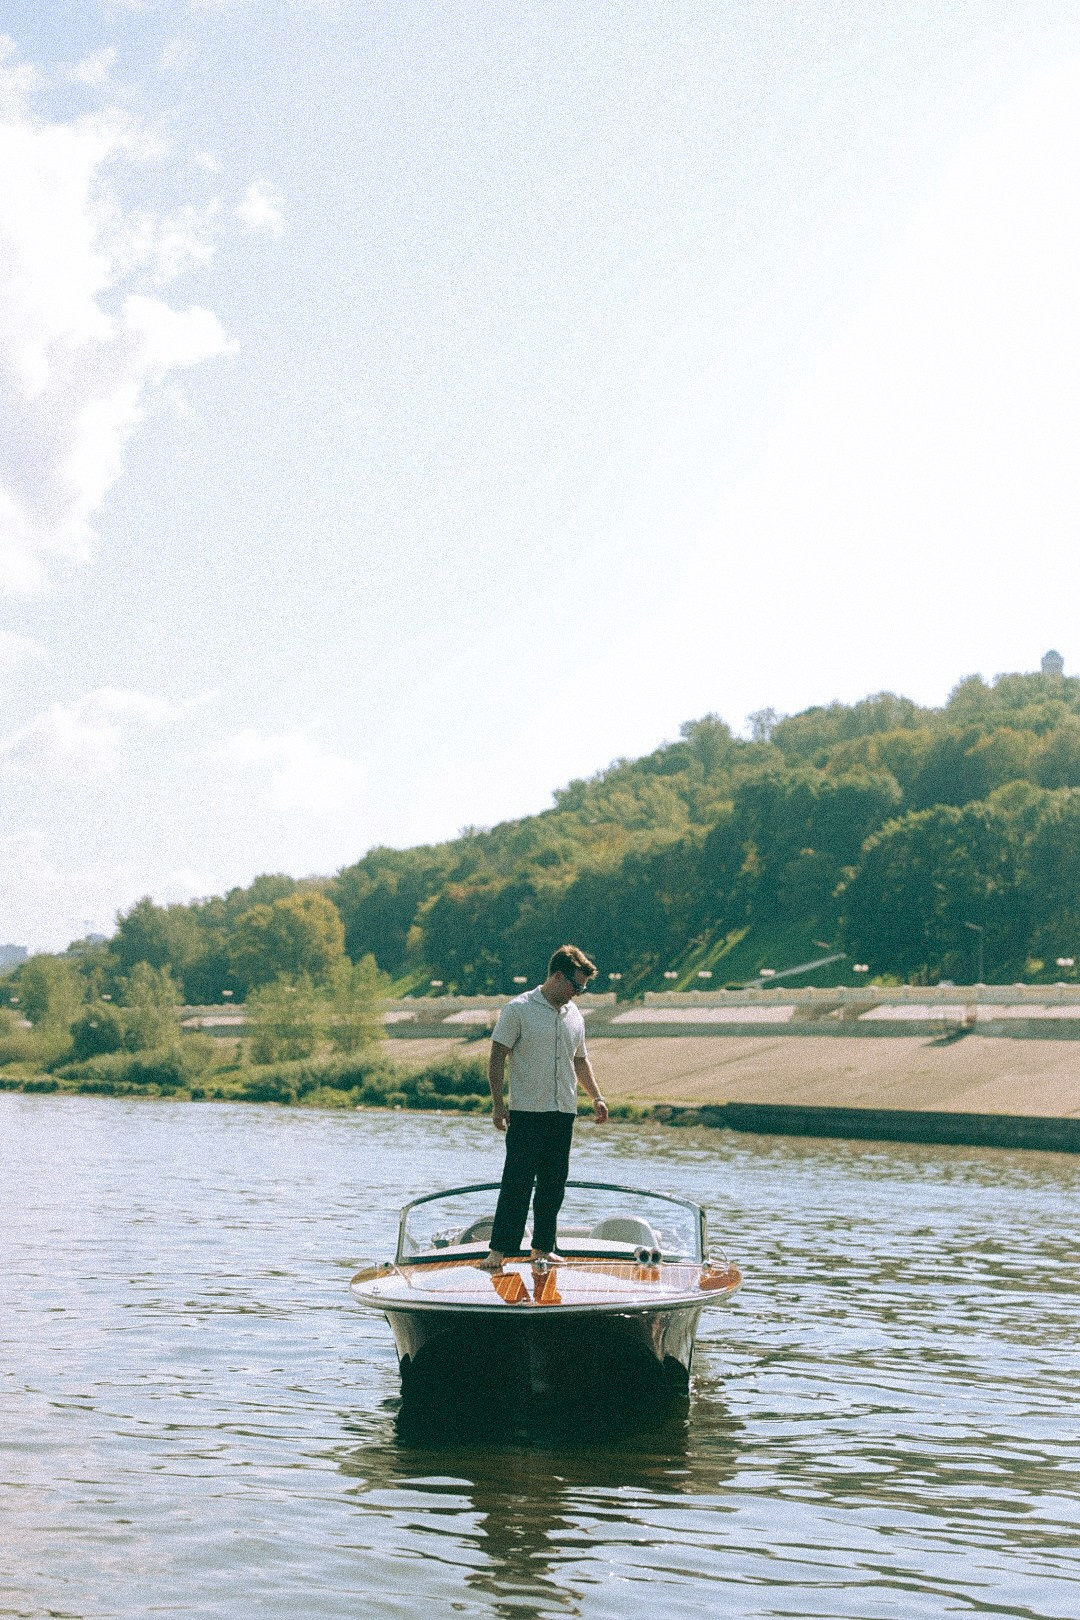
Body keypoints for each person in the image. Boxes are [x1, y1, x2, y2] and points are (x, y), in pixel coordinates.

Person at [480, 944, 608, 1271]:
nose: (578, 994)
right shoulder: (518, 1009)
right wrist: (498, 1105)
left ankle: (542, 1248)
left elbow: (580, 1061)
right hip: (527, 1112)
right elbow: (496, 1058)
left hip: (563, 1111)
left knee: (554, 1184)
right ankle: (499, 1252)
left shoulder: (575, 1015)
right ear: (556, 976)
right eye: (575, 986)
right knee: (517, 1183)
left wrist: (596, 1096)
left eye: (582, 989)